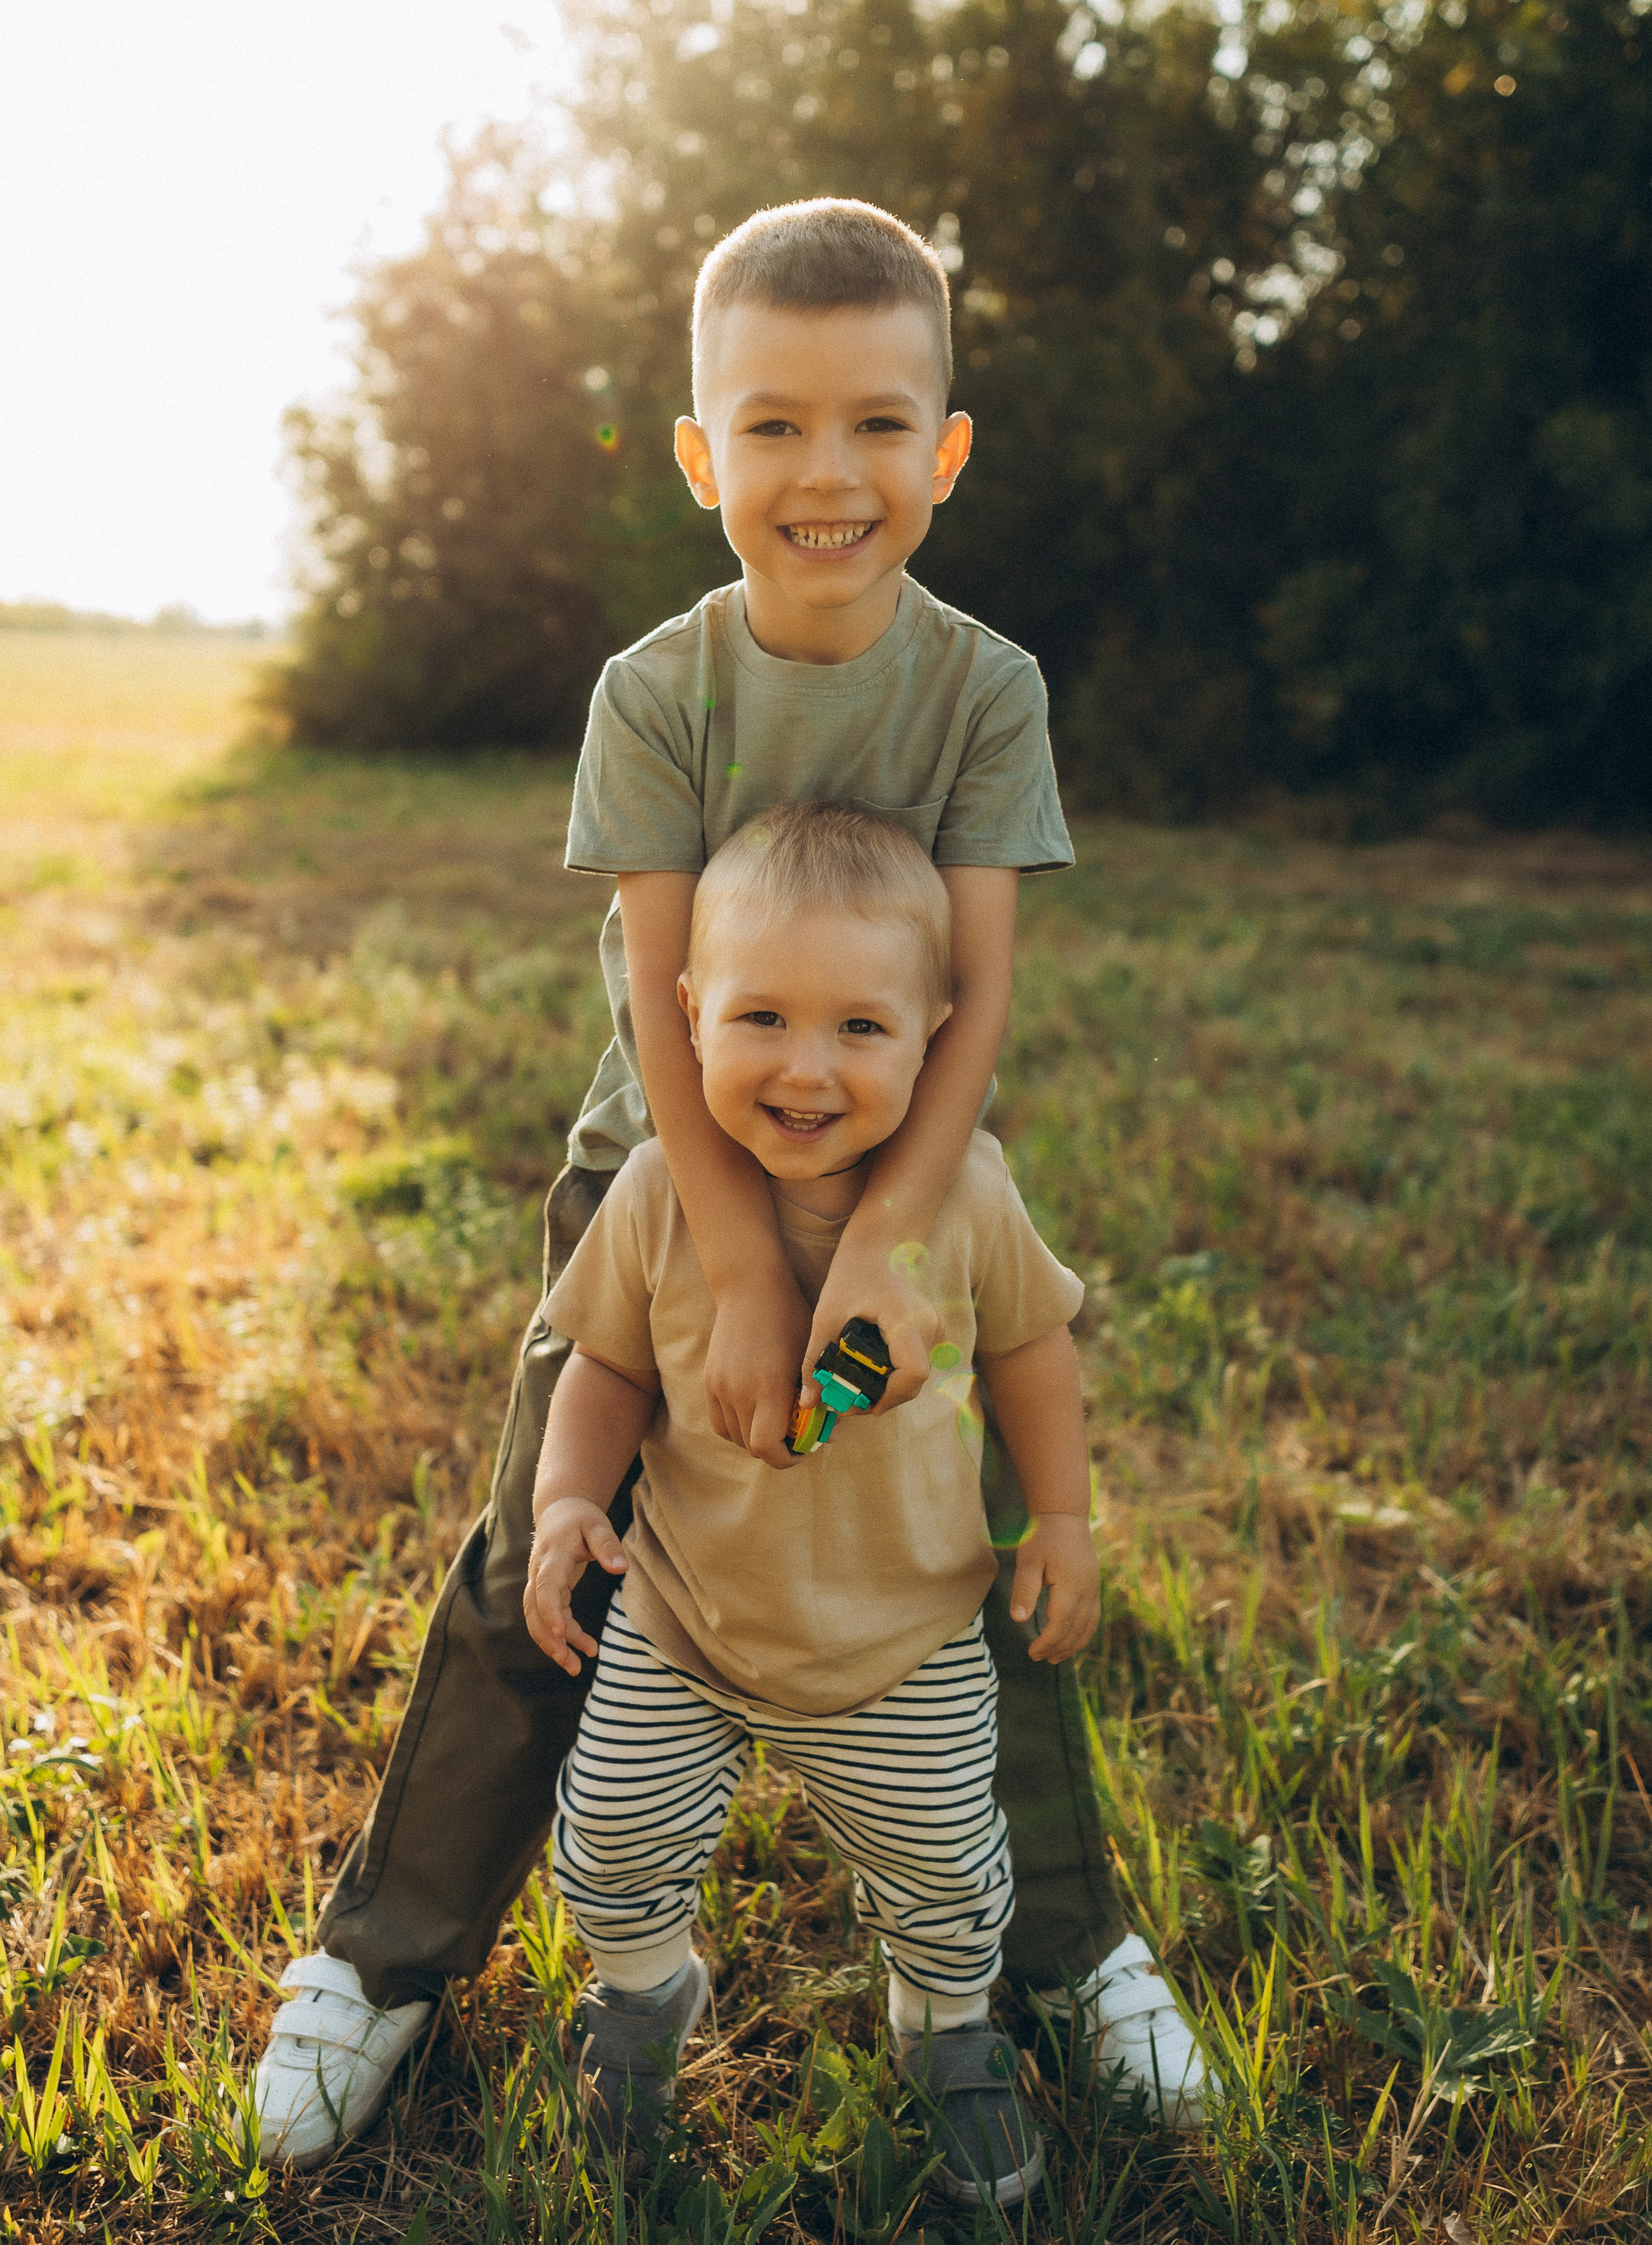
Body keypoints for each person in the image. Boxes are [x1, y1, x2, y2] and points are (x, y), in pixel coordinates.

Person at [250, 198, 1207, 2170]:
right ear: (701, 457)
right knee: (541, 1540)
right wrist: (746, 1272)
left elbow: (978, 1001)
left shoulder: (983, 690)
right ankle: (386, 1957)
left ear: (946, 450)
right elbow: (653, 992)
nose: (825, 472)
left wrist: (884, 1240)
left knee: (980, 1558)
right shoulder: (658, 692)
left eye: (877, 424)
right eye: (773, 425)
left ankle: (1064, 1954)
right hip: (659, 1166)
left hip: (910, 1176)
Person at [529, 800, 1096, 2202]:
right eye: (762, 1018)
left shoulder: (964, 1193)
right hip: (683, 1617)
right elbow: (604, 1368)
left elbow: (1034, 1353)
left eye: (859, 1027)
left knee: (946, 1873)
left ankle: (945, 2029)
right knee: (607, 1839)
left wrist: (1064, 1522)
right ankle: (643, 1998)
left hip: (898, 1640)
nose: (805, 1067)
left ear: (934, 1036)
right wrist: (562, 1505)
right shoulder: (657, 1192)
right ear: (687, 1014)